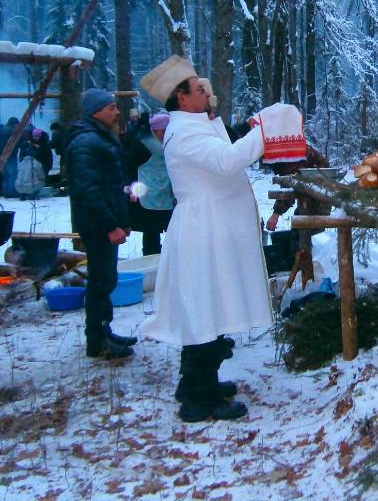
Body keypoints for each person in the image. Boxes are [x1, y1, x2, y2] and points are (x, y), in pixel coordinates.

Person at [139, 55, 274, 422]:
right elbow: (227, 161)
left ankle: (194, 383)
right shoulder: (184, 132)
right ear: (181, 98)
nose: (207, 94)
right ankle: (200, 399)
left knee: (206, 305)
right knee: (203, 308)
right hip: (202, 231)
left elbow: (223, 151)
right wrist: (266, 131)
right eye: (200, 89)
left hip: (211, 227)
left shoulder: (195, 125)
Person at [64, 89, 135, 360]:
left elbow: (113, 186)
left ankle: (104, 330)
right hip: (96, 225)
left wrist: (122, 221)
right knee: (100, 281)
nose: (117, 112)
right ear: (96, 112)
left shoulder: (100, 137)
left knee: (106, 279)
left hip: (106, 221)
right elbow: (88, 191)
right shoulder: (85, 143)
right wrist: (109, 226)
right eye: (111, 108)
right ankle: (97, 339)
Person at [123, 112, 174, 256]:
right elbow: (129, 167)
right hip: (148, 194)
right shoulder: (142, 143)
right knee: (151, 233)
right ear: (157, 130)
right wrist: (133, 190)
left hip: (166, 193)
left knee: (172, 230)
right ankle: (150, 259)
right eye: (165, 131)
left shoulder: (171, 142)